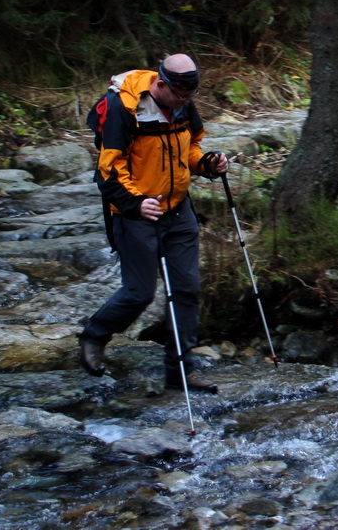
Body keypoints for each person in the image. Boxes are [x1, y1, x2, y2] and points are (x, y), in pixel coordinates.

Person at [78, 53, 227, 394]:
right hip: (135, 214)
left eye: (188, 98)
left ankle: (181, 369)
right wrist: (134, 202)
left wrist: (206, 164)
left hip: (178, 210)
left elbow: (190, 148)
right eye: (178, 96)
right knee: (139, 292)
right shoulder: (124, 108)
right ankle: (94, 336)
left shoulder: (183, 102)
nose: (183, 103)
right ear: (161, 84)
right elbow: (108, 167)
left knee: (186, 288)